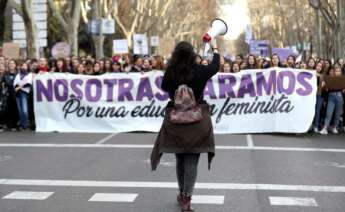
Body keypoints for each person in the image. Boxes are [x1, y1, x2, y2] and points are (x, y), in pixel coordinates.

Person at [151, 41, 219, 212]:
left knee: (180, 158)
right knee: (192, 160)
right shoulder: (200, 71)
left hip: (175, 121)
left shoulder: (171, 72)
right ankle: (187, 198)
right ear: (191, 54)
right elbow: (216, 66)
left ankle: (182, 193)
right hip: (197, 121)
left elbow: (164, 87)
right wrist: (215, 48)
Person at [320, 64, 344, 134]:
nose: (338, 72)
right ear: (334, 72)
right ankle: (325, 128)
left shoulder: (343, 79)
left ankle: (335, 127)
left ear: (341, 72)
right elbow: (325, 88)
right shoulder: (330, 78)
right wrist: (324, 86)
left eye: (339, 71)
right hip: (331, 96)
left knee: (338, 114)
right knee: (328, 113)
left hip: (340, 97)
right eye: (336, 71)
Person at [14, 62, 32, 130]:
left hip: (24, 93)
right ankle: (22, 124)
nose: (24, 66)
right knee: (20, 110)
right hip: (18, 93)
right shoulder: (18, 75)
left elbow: (28, 84)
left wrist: (19, 87)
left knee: (24, 110)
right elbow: (15, 84)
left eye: (25, 65)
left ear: (27, 67)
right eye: (22, 65)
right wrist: (18, 87)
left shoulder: (29, 74)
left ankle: (25, 124)